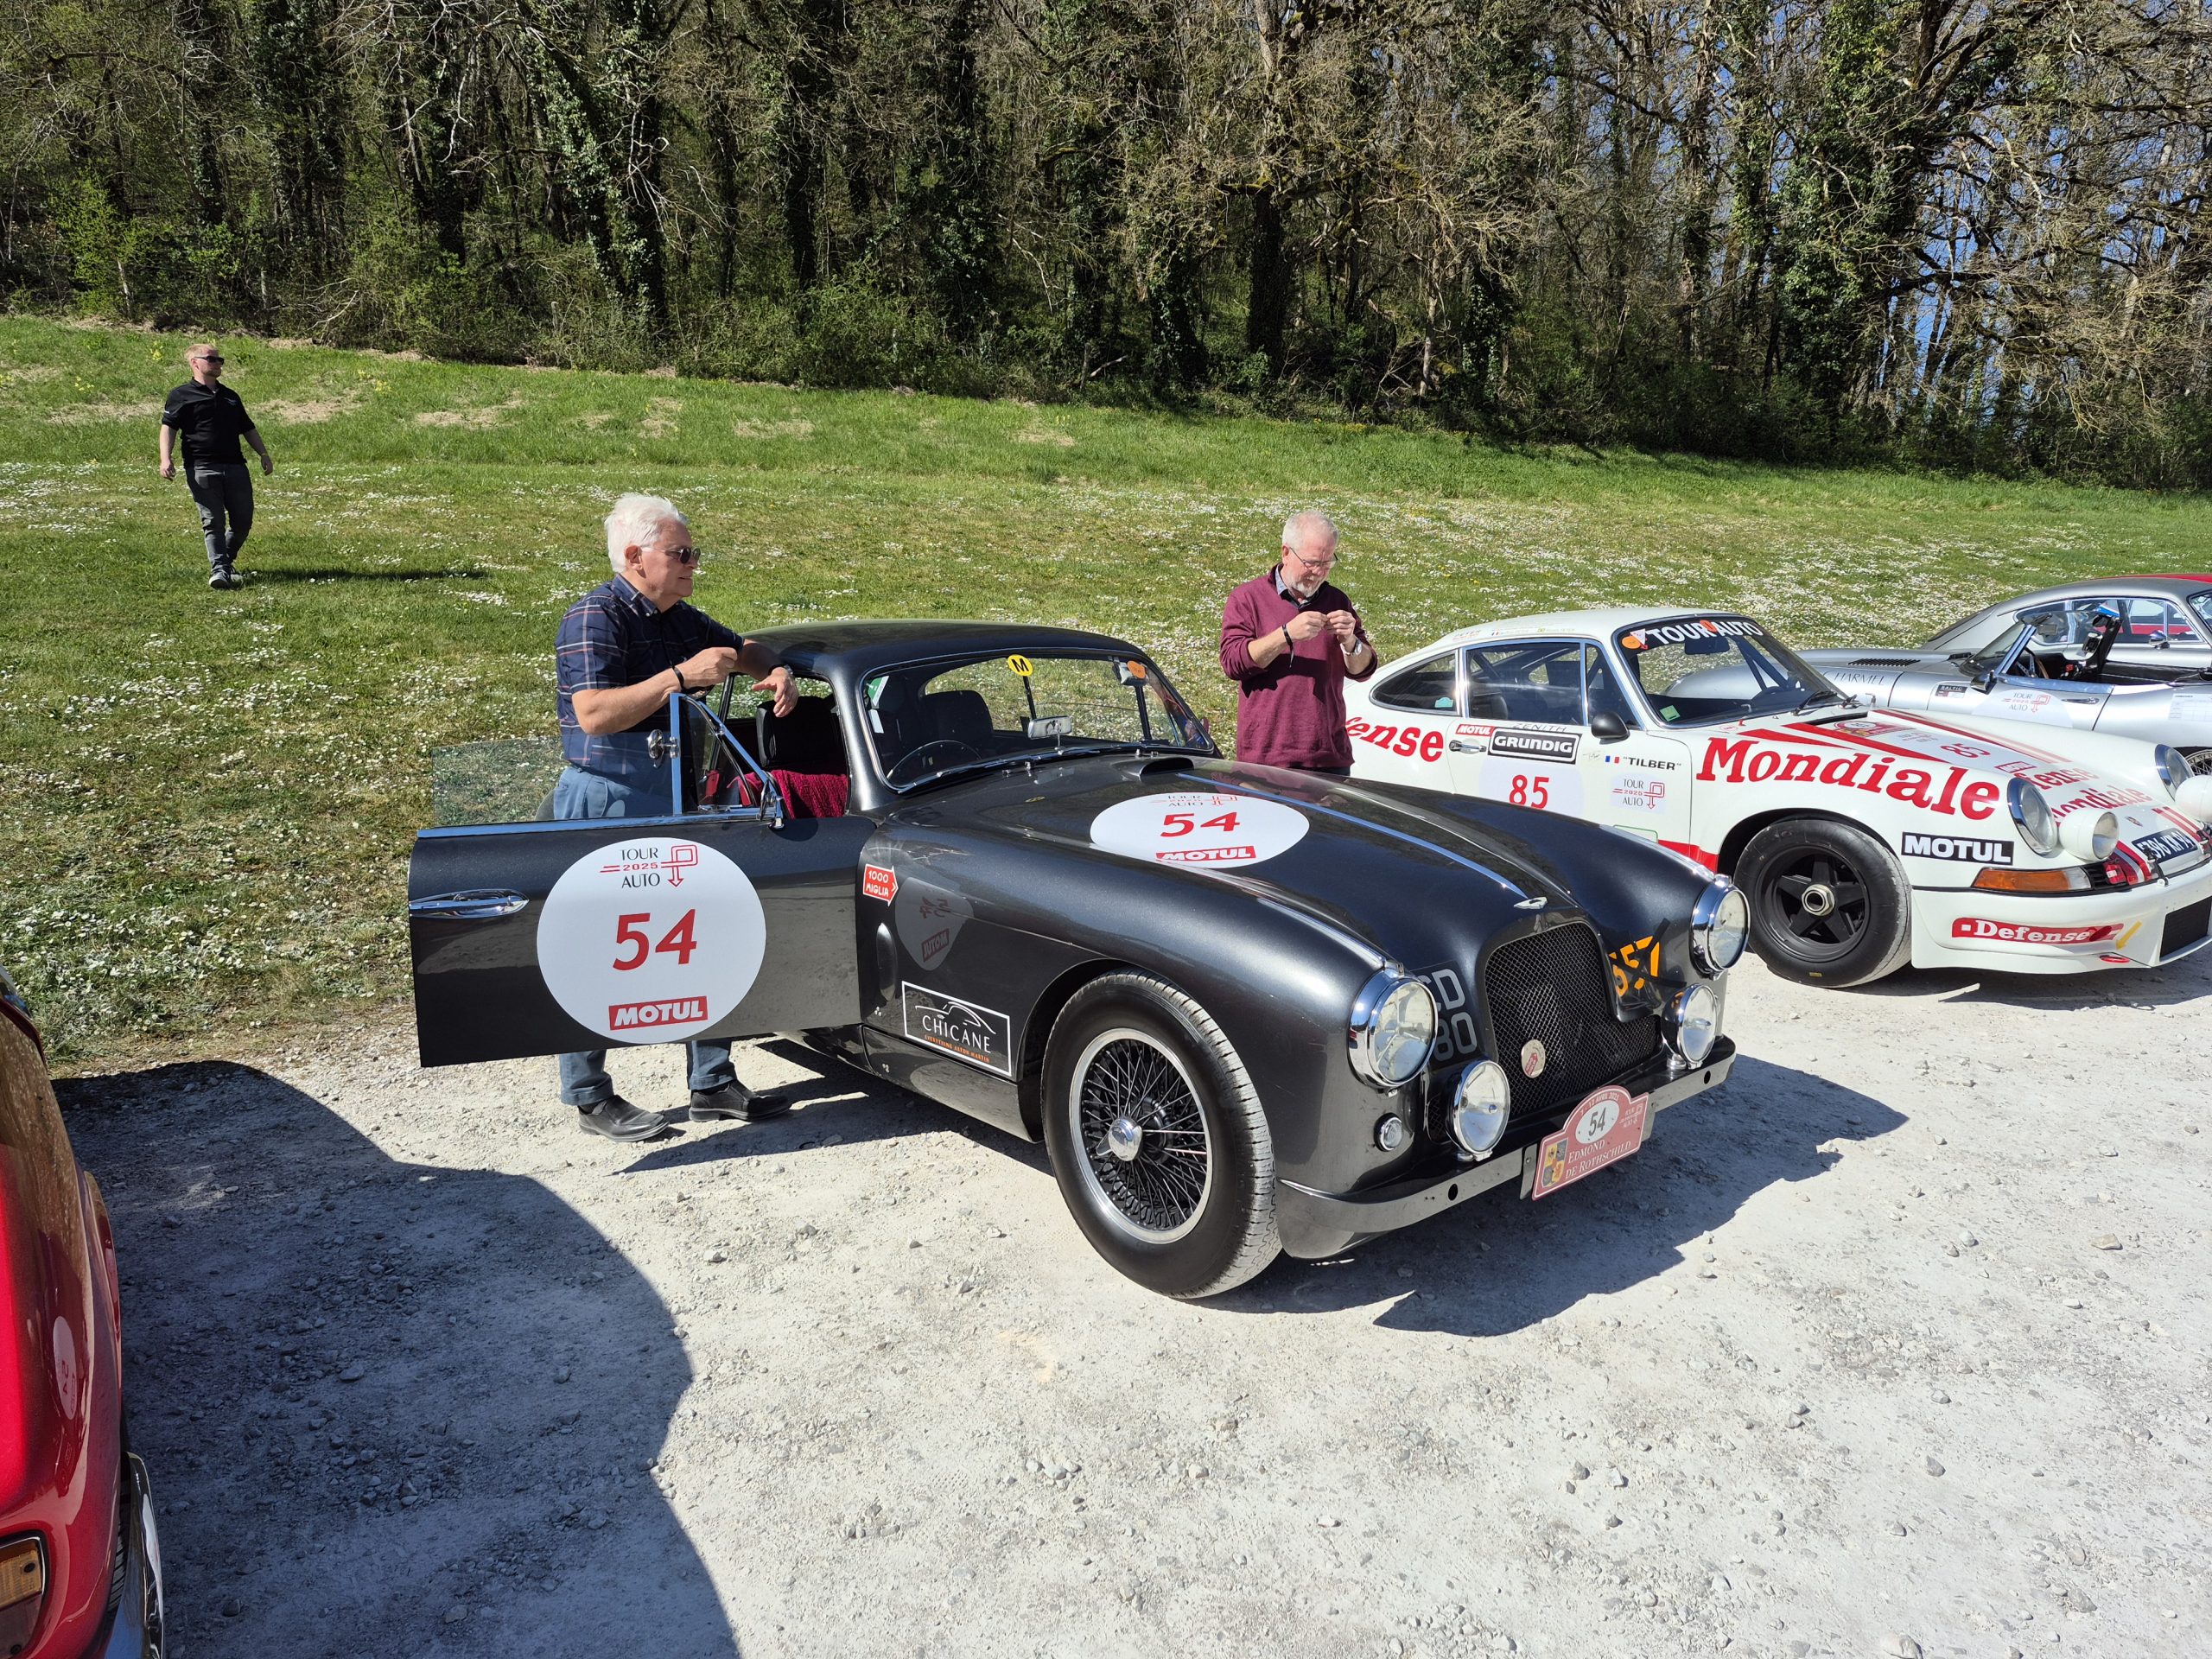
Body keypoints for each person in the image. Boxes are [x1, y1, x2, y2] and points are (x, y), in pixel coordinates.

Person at [553, 493, 800, 1141]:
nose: (693, 563)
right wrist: (680, 677)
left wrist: (777, 669)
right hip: (608, 793)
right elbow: (594, 715)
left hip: (676, 793)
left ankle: (712, 1083)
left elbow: (742, 649)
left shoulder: (681, 617)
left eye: (693, 552)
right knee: (600, 944)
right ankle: (589, 1096)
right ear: (636, 557)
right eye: (681, 553)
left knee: (704, 928)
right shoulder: (595, 616)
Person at [1218, 509, 1376, 772]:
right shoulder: (1247, 598)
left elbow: (1363, 670)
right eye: (1311, 563)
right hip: (1266, 758)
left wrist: (1350, 642)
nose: (1319, 572)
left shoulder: (1337, 601)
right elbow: (1233, 663)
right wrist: (1286, 634)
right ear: (1286, 553)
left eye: (1327, 563)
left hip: (1328, 758)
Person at [158, 343, 272, 589]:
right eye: (211, 359)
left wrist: (263, 453)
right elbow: (168, 428)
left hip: (236, 467)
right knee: (213, 520)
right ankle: (219, 570)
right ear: (194, 363)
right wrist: (165, 458)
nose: (218, 363)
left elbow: (248, 428)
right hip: (201, 467)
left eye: (220, 359)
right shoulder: (181, 395)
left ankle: (225, 563)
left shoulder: (230, 396)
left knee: (243, 521)